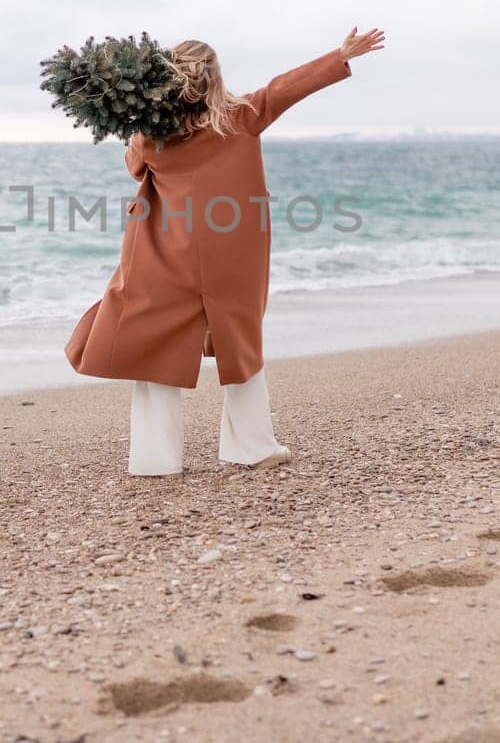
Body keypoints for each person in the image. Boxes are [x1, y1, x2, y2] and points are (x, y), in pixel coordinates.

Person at [65, 27, 385, 475]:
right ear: (215, 79)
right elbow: (284, 88)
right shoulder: (241, 116)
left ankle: (155, 461)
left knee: (157, 348)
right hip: (230, 255)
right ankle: (249, 446)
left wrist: (140, 123)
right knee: (242, 345)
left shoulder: (152, 135)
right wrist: (340, 55)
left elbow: (133, 167)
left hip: (166, 254)